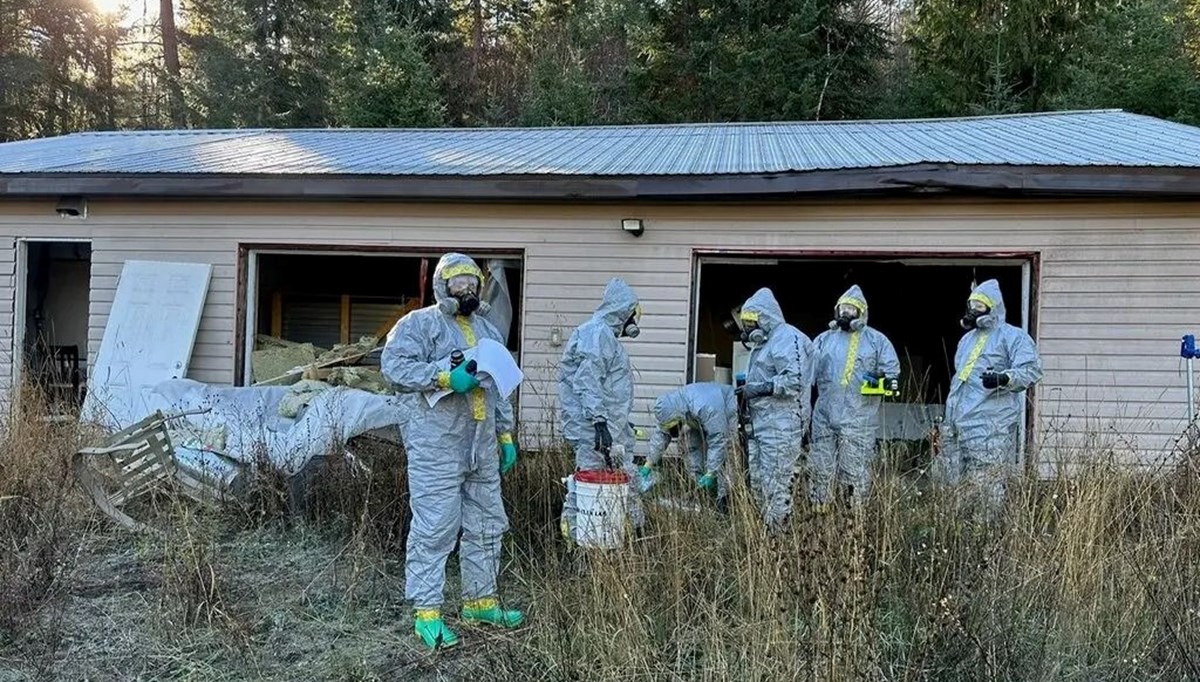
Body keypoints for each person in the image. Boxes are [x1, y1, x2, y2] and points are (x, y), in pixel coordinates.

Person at [381, 252, 524, 650]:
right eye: (458, 284)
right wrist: (443, 375)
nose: (467, 291)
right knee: (436, 526)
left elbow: (499, 387)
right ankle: (427, 612)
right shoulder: (420, 324)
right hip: (437, 446)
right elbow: (393, 368)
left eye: (472, 284)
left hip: (481, 446)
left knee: (487, 522)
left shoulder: (489, 331)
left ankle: (480, 600)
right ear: (442, 285)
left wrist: (506, 435)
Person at [936, 279, 1043, 517]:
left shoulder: (1013, 336)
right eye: (971, 305)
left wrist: (1004, 378)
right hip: (957, 423)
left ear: (993, 306)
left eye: (980, 305)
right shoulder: (967, 340)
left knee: (988, 479)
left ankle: (986, 532)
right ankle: (956, 533)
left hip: (990, 422)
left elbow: (1032, 370)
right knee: (953, 478)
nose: (974, 310)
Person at [557, 277, 644, 540]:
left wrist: (618, 425)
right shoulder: (597, 333)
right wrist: (599, 422)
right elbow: (588, 379)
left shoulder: (603, 335)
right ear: (623, 311)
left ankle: (621, 537)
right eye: (633, 314)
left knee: (620, 482)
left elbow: (604, 386)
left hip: (608, 429)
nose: (634, 321)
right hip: (594, 432)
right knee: (587, 487)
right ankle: (581, 542)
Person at [809, 285, 901, 509]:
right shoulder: (823, 340)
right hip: (824, 416)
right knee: (821, 469)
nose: (846, 314)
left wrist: (880, 381)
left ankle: (853, 519)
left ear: (862, 313)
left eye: (852, 310)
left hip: (859, 418)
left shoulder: (877, 341)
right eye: (843, 309)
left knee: (855, 471)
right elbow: (807, 374)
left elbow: (892, 377)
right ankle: (820, 517)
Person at [736, 287, 814, 533]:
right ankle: (765, 537)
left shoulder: (786, 338)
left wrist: (760, 388)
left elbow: (795, 380)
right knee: (759, 483)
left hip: (782, 425)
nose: (748, 328)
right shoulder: (764, 345)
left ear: (765, 317)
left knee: (776, 484)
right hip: (762, 426)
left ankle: (777, 539)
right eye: (745, 322)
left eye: (752, 321)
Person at [640, 382, 739, 509]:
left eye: (673, 425)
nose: (673, 430)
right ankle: (700, 489)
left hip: (725, 409)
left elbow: (719, 439)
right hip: (694, 417)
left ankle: (723, 499)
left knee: (727, 451)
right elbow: (662, 435)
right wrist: (648, 465)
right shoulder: (669, 409)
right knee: (688, 441)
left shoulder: (703, 406)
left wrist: (711, 472)